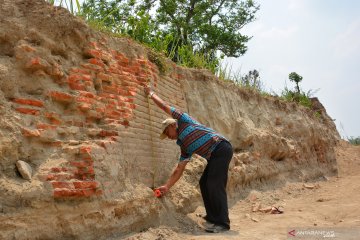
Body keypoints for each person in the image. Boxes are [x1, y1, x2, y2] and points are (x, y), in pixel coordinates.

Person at [144, 86, 233, 233]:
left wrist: (151, 94)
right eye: (166, 136)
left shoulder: (183, 119)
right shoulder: (184, 146)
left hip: (222, 148)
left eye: (167, 132)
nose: (169, 136)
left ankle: (222, 223)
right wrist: (167, 186)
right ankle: (212, 218)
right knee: (204, 182)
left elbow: (164, 106)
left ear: (173, 125)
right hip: (214, 155)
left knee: (214, 183)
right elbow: (179, 169)